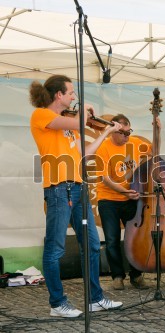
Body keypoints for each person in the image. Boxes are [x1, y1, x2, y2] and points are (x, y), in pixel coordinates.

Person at [29, 75, 123, 318]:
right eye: (71, 93)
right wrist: (86, 110)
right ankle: (57, 303)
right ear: (58, 95)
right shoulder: (42, 115)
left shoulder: (69, 125)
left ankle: (95, 299)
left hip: (78, 188)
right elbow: (77, 123)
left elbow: (85, 153)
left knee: (91, 243)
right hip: (59, 189)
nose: (73, 97)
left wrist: (105, 133)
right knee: (55, 248)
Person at [96, 114, 158, 290]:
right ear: (113, 132)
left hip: (130, 198)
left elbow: (155, 151)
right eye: (122, 133)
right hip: (108, 200)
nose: (126, 137)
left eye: (128, 132)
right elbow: (105, 178)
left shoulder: (135, 143)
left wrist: (157, 130)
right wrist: (124, 191)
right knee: (112, 239)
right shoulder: (103, 148)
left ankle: (136, 275)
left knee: (135, 237)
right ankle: (117, 276)